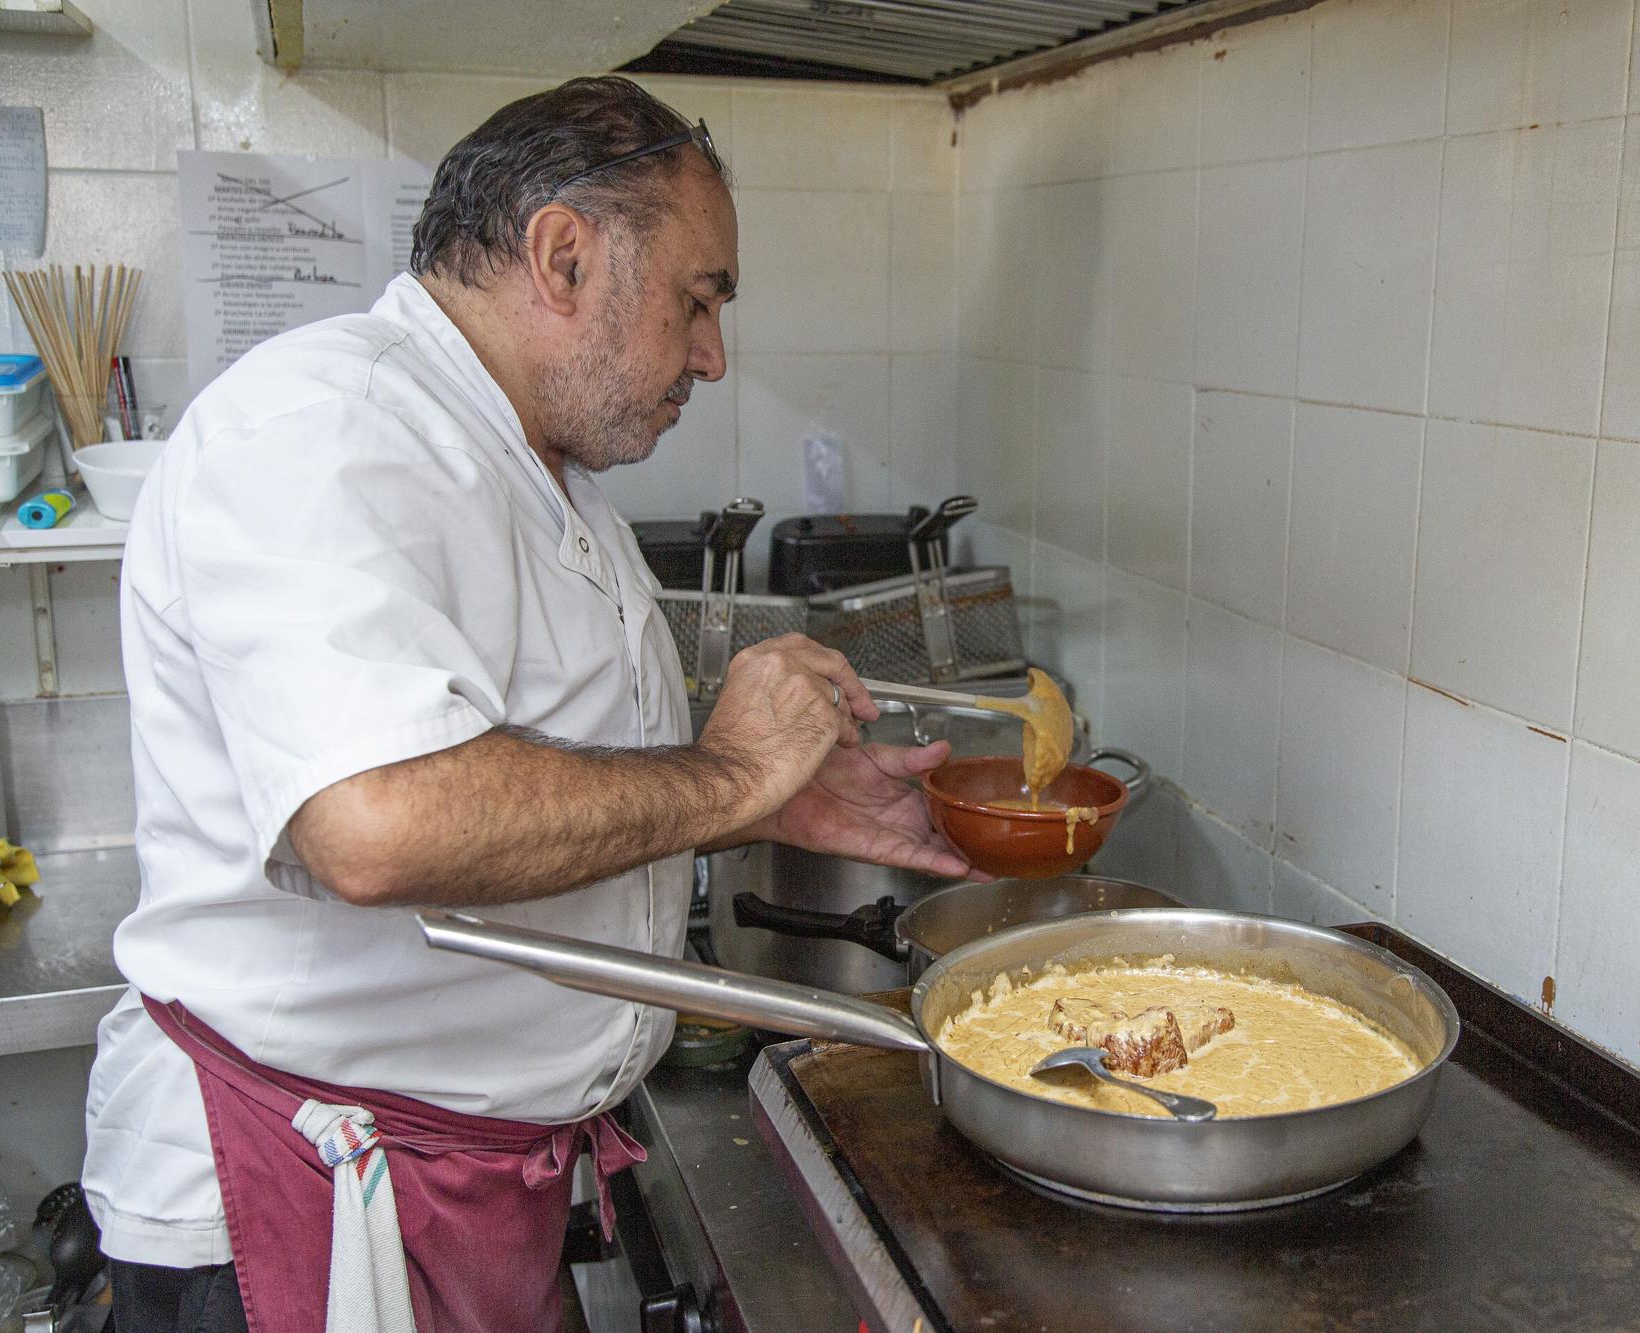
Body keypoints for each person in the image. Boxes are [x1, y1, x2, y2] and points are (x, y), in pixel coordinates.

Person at [83, 75, 976, 1333]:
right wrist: (722, 777)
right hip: (305, 1208)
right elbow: (376, 826)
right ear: (563, 256)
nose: (713, 355)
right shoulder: (320, 427)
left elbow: (532, 786)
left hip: (463, 1187)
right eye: (699, 298)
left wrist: (758, 802)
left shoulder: (535, 473)